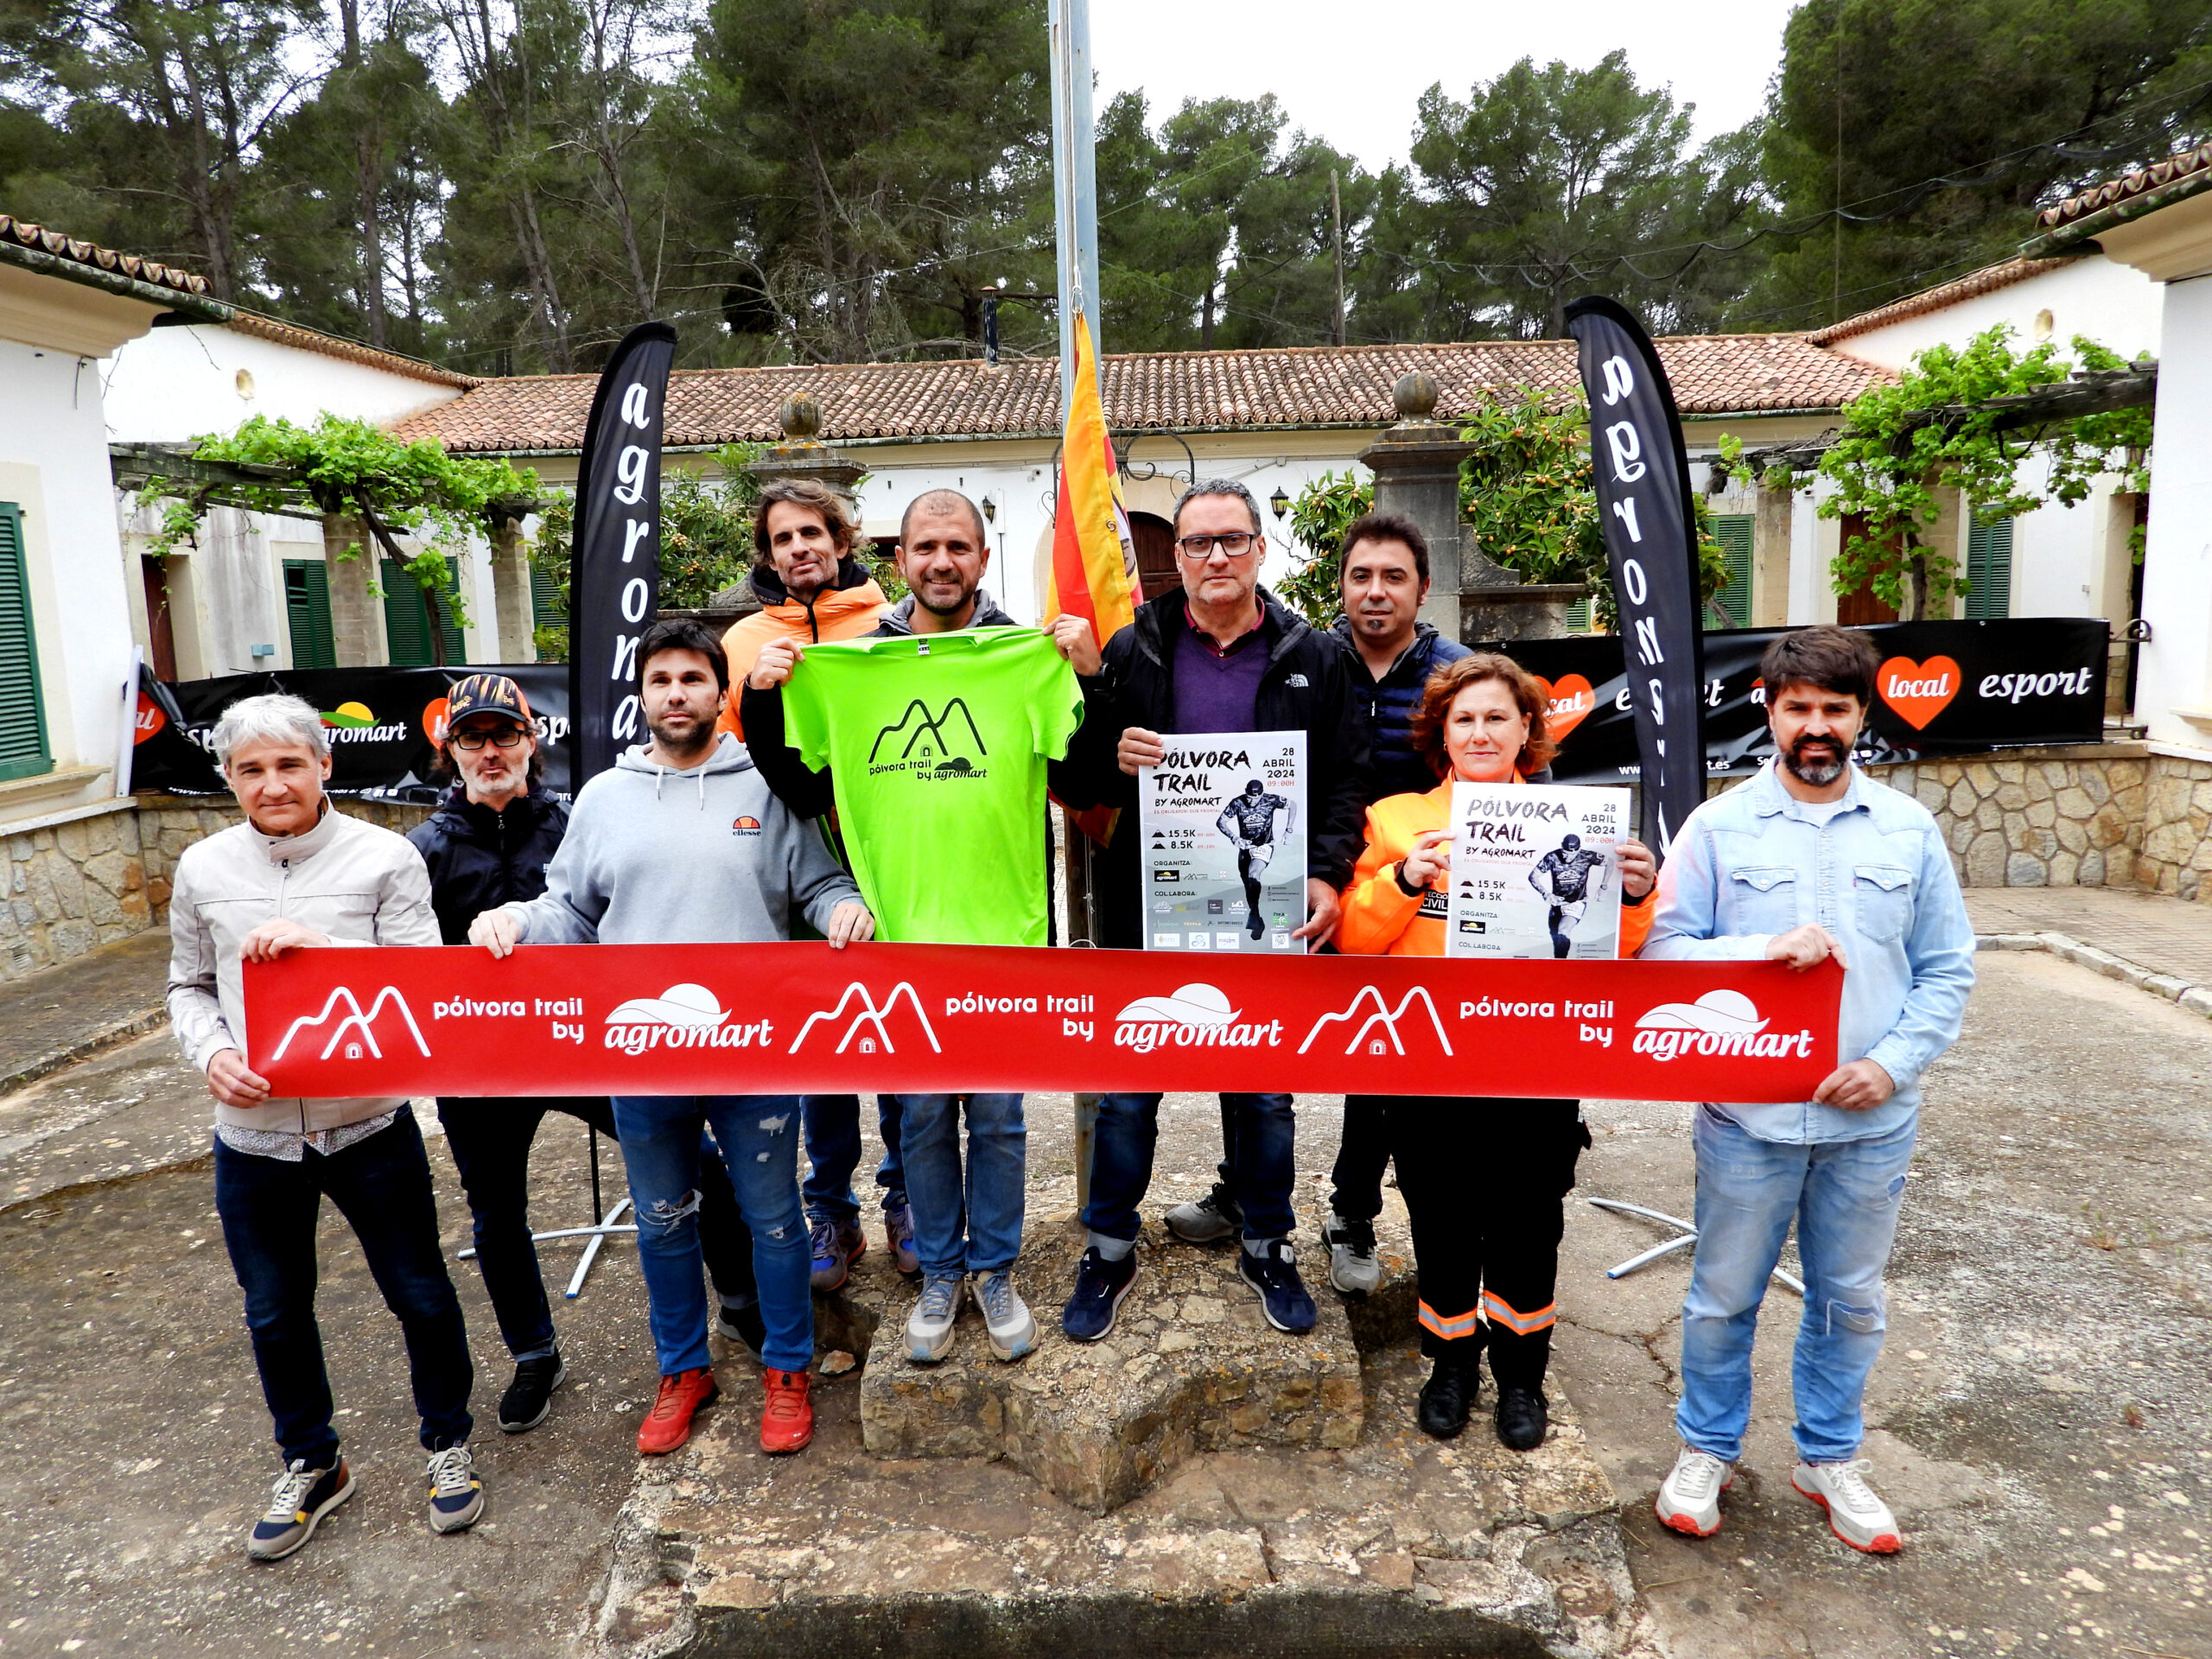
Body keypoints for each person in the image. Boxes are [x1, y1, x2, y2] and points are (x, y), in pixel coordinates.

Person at [471, 620, 875, 1459]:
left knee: (773, 1222)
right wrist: (515, 919)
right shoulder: (604, 799)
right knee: (662, 1222)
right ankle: (683, 1370)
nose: (676, 694)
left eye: (693, 678)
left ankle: (787, 1369)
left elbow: (822, 879)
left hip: (754, 1056)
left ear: (717, 692)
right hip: (644, 1057)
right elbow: (568, 911)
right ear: (643, 695)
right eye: (661, 681)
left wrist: (840, 906)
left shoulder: (762, 787)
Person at [743, 487, 1096, 1366]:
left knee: (1003, 1120)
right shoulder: (858, 666)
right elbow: (801, 787)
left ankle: (997, 1272)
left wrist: (1087, 675)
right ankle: (940, 1274)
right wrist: (758, 701)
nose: (941, 562)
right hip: (900, 936)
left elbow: (1086, 775)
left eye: (958, 547)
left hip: (1001, 934)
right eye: (925, 547)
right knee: (925, 1117)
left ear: (982, 558)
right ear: (899, 561)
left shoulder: (1021, 654)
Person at [1644, 626, 1974, 1555]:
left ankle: (1827, 1457)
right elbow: (1665, 954)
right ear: (1769, 711)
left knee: (1849, 1301)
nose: (1816, 727)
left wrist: (1892, 1063)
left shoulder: (1910, 830)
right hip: (1746, 1120)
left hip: (1870, 1123)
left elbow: (1947, 969)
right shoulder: (1715, 828)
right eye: (1798, 709)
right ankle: (1705, 1449)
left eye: (1835, 708)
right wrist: (1754, 951)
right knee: (1721, 1298)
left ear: (1861, 716)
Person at [166, 693, 482, 1561]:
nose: (273, 785)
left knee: (417, 1291)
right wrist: (210, 1054)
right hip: (253, 1134)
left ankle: (447, 1442)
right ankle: (312, 1461)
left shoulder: (384, 857)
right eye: (252, 770)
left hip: (367, 1125)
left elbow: (424, 983)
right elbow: (187, 986)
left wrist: (322, 949)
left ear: (325, 766)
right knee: (273, 1311)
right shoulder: (201, 867)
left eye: (289, 765)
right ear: (228, 778)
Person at [408, 673, 766, 1434]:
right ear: (452, 752)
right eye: (474, 737)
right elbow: (401, 963)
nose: (491, 750)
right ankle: (535, 1353)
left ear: (532, 743)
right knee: (496, 1217)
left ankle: (739, 1302)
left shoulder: (580, 818)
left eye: (506, 734)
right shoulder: (423, 851)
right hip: (482, 1068)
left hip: (585, 1049)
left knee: (699, 1165)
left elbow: (604, 912)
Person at [1055, 478, 1369, 1343]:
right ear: (1178, 559)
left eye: (1232, 540)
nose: (1216, 557)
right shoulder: (1132, 649)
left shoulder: (1317, 654)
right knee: (1126, 1095)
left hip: (1263, 915)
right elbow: (1072, 778)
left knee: (1262, 1093)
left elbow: (1344, 780)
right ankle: (1108, 1249)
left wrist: (1326, 874)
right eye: (1198, 544)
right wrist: (1107, 751)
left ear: (1260, 550)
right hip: (1144, 912)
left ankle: (1266, 1243)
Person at [1335, 653, 1656, 1449]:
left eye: (1496, 718)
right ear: (1441, 732)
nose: (1480, 731)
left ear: (1525, 733)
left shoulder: (1579, 828)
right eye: (1464, 718)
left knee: (1527, 1224)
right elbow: (1352, 941)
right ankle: (1449, 1366)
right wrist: (1404, 879)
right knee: (1441, 1221)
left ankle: (1522, 1377)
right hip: (1426, 1063)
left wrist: (1639, 896)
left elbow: (1614, 954)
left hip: (1536, 1063)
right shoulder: (1396, 819)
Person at [1313, 511, 1471, 1297]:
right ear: (1340, 585)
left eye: (1393, 577)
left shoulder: (1457, 673)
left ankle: (1369, 1216)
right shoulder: (1308, 660)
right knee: (1281, 1045)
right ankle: (1267, 1197)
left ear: (1422, 587)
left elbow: (1511, 777)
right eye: (1361, 576)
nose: (1376, 593)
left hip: (1423, 899)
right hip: (1329, 884)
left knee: (1394, 1063)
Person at [1217, 779, 1294, 940]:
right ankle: (1258, 920)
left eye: (1257, 798)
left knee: (1254, 875)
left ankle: (1254, 917)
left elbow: (1292, 805)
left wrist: (1289, 830)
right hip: (1245, 847)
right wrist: (1233, 837)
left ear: (1262, 794)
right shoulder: (1238, 802)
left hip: (1264, 845)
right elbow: (1221, 821)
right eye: (1250, 798)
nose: (1253, 801)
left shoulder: (1271, 799)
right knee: (1247, 884)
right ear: (1246, 792)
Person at [1531, 832, 1610, 958]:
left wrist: (1603, 886)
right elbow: (1533, 876)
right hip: (1557, 903)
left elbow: (1610, 862)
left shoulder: (1587, 856)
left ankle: (1562, 967)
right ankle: (1559, 965)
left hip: (1576, 902)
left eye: (1571, 854)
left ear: (1578, 850)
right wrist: (1545, 893)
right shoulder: (1552, 857)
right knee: (1555, 936)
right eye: (1564, 853)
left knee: (1563, 931)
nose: (1567, 857)